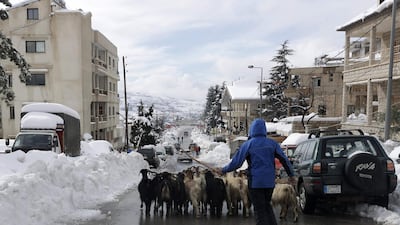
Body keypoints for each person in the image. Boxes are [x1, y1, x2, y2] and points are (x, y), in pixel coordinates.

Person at [216, 118, 295, 225]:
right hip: (269, 183)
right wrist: (291, 175)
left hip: (255, 183)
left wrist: (223, 170)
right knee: (267, 206)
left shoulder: (248, 144)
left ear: (252, 130)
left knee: (259, 210)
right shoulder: (272, 144)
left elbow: (237, 163)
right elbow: (284, 159)